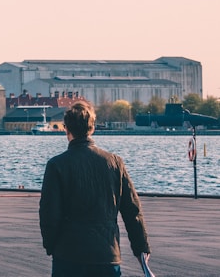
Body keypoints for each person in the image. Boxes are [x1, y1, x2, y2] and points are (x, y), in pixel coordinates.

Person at [39, 101, 151, 276]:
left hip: (68, 255)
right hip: (107, 255)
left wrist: (51, 246)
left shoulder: (56, 165)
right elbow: (132, 211)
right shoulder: (115, 163)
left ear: (66, 129)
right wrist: (141, 248)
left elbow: (49, 213)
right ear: (92, 128)